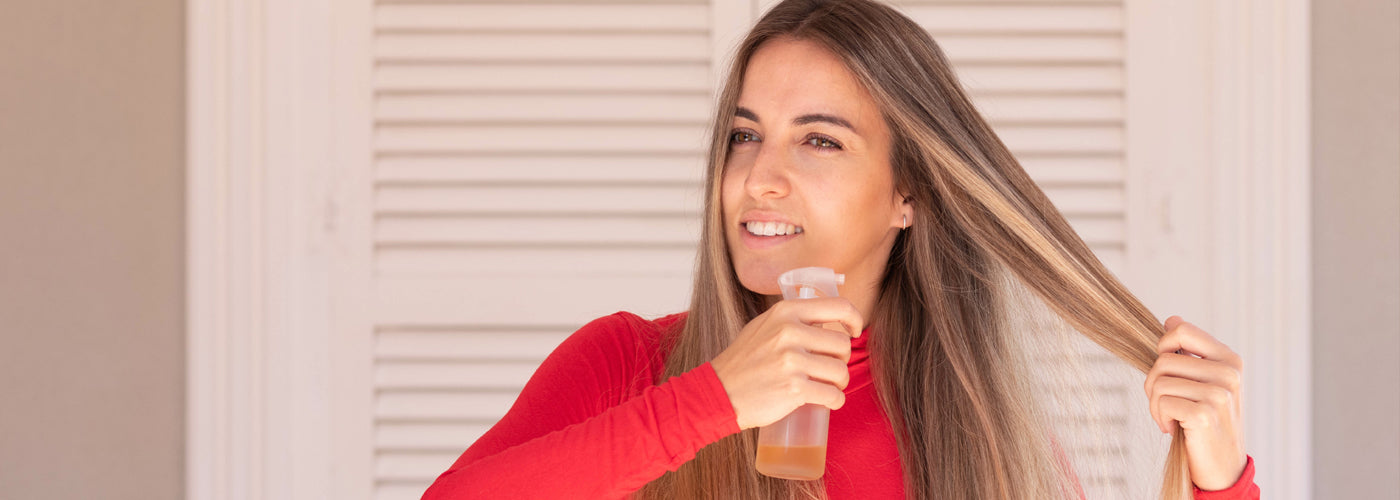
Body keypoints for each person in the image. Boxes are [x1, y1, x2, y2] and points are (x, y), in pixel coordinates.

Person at [421, 0, 1260, 498]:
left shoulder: (974, 433)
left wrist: (1222, 481)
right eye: (745, 137)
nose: (761, 179)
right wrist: (714, 400)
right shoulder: (631, 366)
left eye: (818, 142)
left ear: (909, 193)